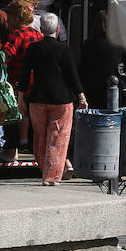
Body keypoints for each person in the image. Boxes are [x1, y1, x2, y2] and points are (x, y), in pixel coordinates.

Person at [23, 12, 87, 185]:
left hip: (37, 98)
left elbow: (24, 76)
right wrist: (81, 96)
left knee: (40, 137)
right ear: (58, 29)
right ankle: (51, 177)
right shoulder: (65, 50)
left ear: (41, 29)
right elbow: (73, 76)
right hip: (62, 99)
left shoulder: (33, 48)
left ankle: (45, 170)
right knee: (58, 139)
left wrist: (22, 97)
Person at [0, 0, 44, 161]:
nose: (7, 21)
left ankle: (11, 150)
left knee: (12, 116)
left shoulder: (17, 35)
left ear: (17, 18)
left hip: (19, 84)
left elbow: (6, 56)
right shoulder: (38, 35)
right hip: (37, 85)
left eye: (9, 18)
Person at [79, 11, 126, 110]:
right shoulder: (118, 44)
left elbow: (82, 70)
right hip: (115, 91)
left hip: (92, 91)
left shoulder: (87, 44)